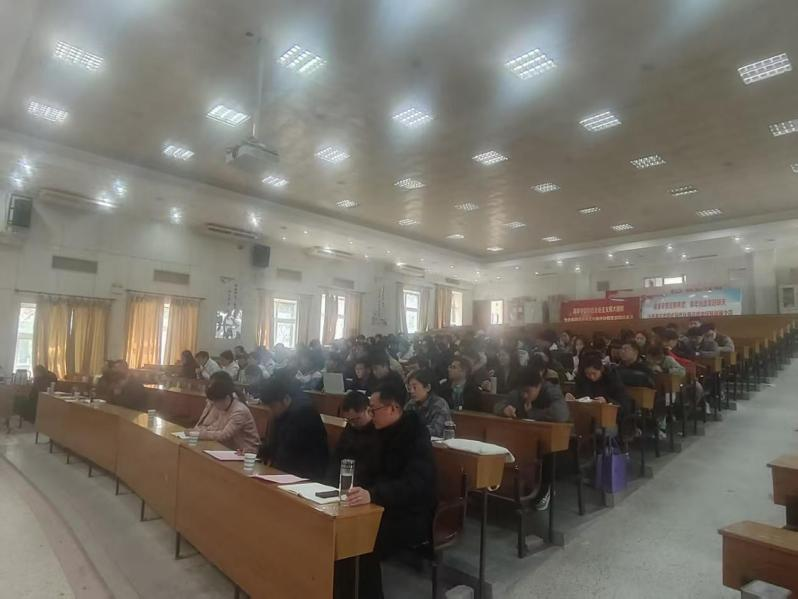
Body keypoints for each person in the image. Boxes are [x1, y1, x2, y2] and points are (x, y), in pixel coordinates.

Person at [344, 380, 437, 599]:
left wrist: (372, 494)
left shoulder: (415, 435)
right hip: (380, 503)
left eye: (373, 410)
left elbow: (414, 484)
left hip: (410, 512)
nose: (370, 415)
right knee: (342, 532)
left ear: (393, 408)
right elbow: (367, 469)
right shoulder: (379, 431)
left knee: (362, 539)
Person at [257, 377, 329, 480]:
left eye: (272, 406)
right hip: (290, 468)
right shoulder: (282, 413)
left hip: (307, 472)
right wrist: (256, 451)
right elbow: (275, 444)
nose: (271, 411)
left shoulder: (304, 413)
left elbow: (289, 451)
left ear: (286, 399)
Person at [192, 372, 260, 453]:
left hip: (246, 451)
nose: (214, 405)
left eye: (215, 402)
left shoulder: (239, 411)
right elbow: (216, 427)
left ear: (227, 398)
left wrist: (199, 434)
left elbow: (224, 435)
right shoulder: (224, 406)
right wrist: (200, 430)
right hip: (231, 448)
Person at [327, 391, 381, 488]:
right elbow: (337, 456)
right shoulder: (350, 426)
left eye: (357, 419)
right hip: (343, 480)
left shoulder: (378, 430)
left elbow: (371, 467)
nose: (352, 424)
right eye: (349, 420)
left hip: (365, 485)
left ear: (368, 410)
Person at [493, 367, 569, 422]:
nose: (524, 395)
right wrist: (504, 409)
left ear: (539, 385)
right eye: (522, 391)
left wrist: (532, 412)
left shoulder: (551, 390)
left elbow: (560, 414)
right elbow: (498, 405)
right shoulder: (518, 392)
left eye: (528, 391)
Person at [569, 350, 632, 415]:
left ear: (601, 369)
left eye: (594, 373)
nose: (591, 377)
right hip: (587, 413)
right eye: (588, 374)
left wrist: (607, 401)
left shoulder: (612, 379)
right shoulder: (582, 379)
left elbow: (624, 406)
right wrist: (572, 398)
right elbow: (578, 395)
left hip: (610, 415)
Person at [405, 369, 452, 438]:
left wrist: (409, 429)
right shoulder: (411, 404)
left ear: (427, 387)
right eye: (409, 388)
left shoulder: (440, 404)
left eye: (415, 387)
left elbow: (436, 431)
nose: (411, 391)